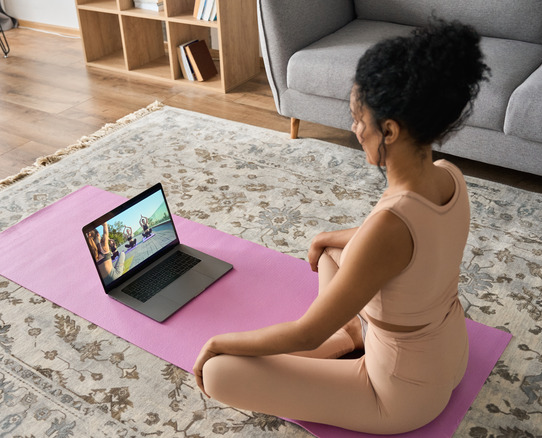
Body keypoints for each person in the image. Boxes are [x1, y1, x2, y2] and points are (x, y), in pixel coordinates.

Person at [192, 19, 490, 434]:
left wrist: (219, 342)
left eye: (357, 119)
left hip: (398, 394)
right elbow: (409, 241)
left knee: (219, 373)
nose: (354, 130)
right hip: (450, 353)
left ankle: (350, 340)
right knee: (333, 252)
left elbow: (307, 333)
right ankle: (352, 335)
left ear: (389, 130)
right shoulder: (447, 175)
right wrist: (327, 238)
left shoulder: (389, 223)